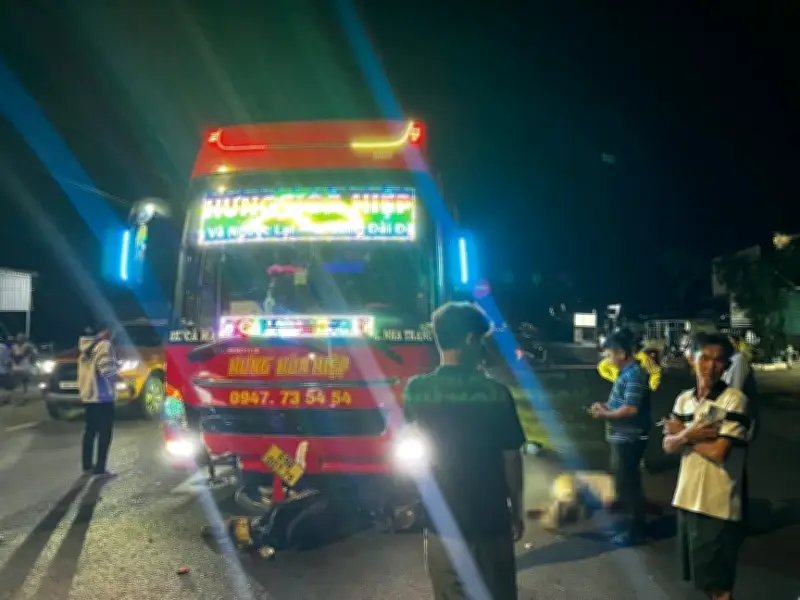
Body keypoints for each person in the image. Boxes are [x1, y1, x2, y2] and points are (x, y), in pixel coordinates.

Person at [403, 302, 525, 600]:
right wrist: (516, 510)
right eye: (481, 340)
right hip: (489, 520)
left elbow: (413, 446)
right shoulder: (496, 393)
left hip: (441, 520)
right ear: (470, 339)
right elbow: (511, 459)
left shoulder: (416, 390)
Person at [662, 332, 748, 600]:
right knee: (703, 580)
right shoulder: (683, 400)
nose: (711, 366)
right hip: (687, 499)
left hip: (717, 505)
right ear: (692, 358)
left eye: (718, 361)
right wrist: (691, 435)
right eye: (705, 358)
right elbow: (667, 445)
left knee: (718, 586)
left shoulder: (733, 399)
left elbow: (720, 452)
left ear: (726, 365)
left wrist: (683, 435)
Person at [590, 331, 651, 545]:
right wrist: (605, 406)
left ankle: (634, 531)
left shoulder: (634, 375)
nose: (607, 359)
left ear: (622, 353)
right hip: (621, 436)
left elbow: (631, 409)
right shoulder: (626, 374)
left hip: (629, 437)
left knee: (628, 484)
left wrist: (605, 415)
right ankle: (632, 527)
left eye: (609, 355)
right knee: (625, 481)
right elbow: (622, 403)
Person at [77, 322, 119, 477]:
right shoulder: (104, 345)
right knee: (105, 433)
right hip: (103, 397)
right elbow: (107, 370)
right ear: (106, 331)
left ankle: (87, 465)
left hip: (88, 396)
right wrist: (119, 374)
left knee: (90, 431)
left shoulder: (85, 346)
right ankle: (100, 468)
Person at [597, 329, 662, 392]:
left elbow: (656, 371)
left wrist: (652, 386)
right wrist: (616, 380)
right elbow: (601, 367)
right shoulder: (610, 360)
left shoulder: (642, 358)